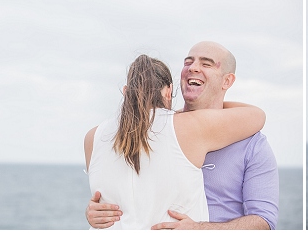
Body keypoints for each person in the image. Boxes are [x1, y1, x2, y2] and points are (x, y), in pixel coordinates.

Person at [86, 41, 280, 230]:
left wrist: (201, 228)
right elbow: (134, 195)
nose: (193, 68)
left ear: (227, 80)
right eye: (188, 62)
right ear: (169, 91)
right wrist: (95, 209)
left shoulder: (253, 145)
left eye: (206, 63)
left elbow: (263, 221)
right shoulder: (163, 130)